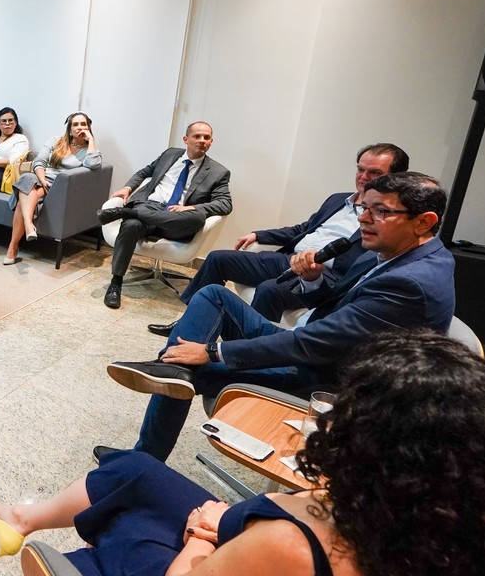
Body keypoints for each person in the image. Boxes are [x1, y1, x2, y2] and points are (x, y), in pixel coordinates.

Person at [0, 331, 485, 576]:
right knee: (138, 469)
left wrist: (202, 539)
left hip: (210, 558)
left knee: (119, 522)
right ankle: (23, 518)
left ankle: (83, 550)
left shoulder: (292, 547)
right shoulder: (441, 520)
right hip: (246, 536)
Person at [106, 171, 455, 461]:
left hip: (323, 379)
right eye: (365, 207)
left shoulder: (410, 282)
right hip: (314, 346)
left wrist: (213, 352)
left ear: (423, 222)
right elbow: (335, 300)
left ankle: (143, 458)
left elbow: (314, 344)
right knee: (213, 295)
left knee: (191, 367)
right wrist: (313, 278)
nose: (363, 218)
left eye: (379, 211)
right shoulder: (398, 254)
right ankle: (172, 373)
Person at [149, 143, 409, 331]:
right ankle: (188, 324)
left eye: (374, 173)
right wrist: (259, 234)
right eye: (360, 170)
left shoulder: (390, 216)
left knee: (268, 290)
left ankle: (247, 349)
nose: (363, 178)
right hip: (290, 259)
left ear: (395, 177)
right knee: (218, 258)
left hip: (326, 274)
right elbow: (304, 228)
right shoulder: (339, 199)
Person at [96, 121, 232, 309]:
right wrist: (128, 187)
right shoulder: (170, 155)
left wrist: (190, 208)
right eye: (197, 136)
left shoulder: (218, 172)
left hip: (176, 221)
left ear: (211, 142)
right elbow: (145, 172)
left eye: (206, 138)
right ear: (186, 139)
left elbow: (225, 204)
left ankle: (128, 212)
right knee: (131, 225)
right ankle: (116, 283)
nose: (202, 141)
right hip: (150, 207)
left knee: (198, 217)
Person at [4, 112, 102, 265]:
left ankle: (13, 247)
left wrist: (91, 141)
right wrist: (42, 179)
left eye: (83, 124)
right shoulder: (56, 141)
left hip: (59, 187)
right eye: (75, 124)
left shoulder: (89, 151)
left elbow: (94, 164)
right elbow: (39, 162)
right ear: (69, 129)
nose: (79, 127)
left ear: (88, 127)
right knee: (27, 178)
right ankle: (29, 225)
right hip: (41, 178)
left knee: (22, 199)